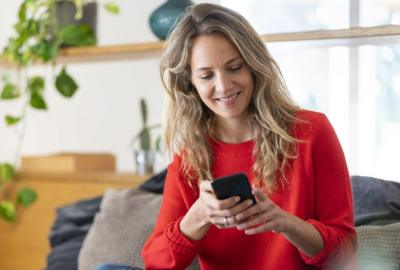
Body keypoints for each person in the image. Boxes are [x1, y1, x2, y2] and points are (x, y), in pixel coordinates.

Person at [139, 3, 357, 270]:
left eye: (234, 67)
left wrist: (284, 222)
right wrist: (199, 215)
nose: (223, 85)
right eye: (207, 75)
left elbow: (344, 250)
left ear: (253, 66)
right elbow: (156, 263)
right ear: (190, 83)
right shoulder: (189, 158)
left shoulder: (311, 132)